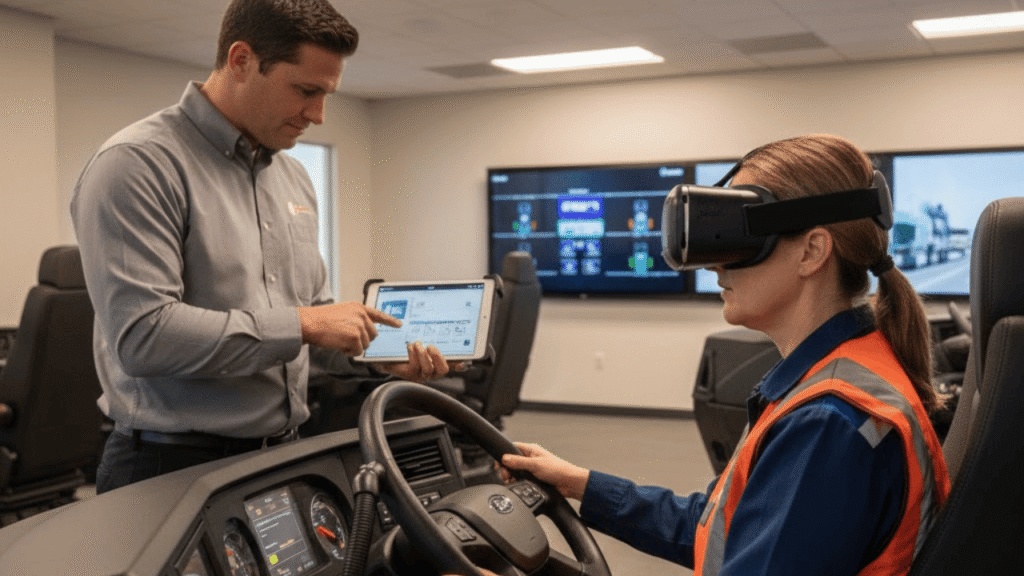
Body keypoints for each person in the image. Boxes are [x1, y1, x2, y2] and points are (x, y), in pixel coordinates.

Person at [495, 135, 951, 575]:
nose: (715, 263)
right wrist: (581, 484)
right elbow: (724, 527)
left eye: (740, 237)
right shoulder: (840, 375)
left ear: (812, 251)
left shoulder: (827, 422)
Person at [71, 0, 460, 494]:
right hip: (169, 466)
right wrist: (304, 323)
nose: (318, 115)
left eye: (327, 95)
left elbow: (308, 330)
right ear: (240, 61)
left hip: (282, 455)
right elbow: (143, 337)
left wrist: (377, 358)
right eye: (305, 90)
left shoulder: (292, 176)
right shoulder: (138, 164)